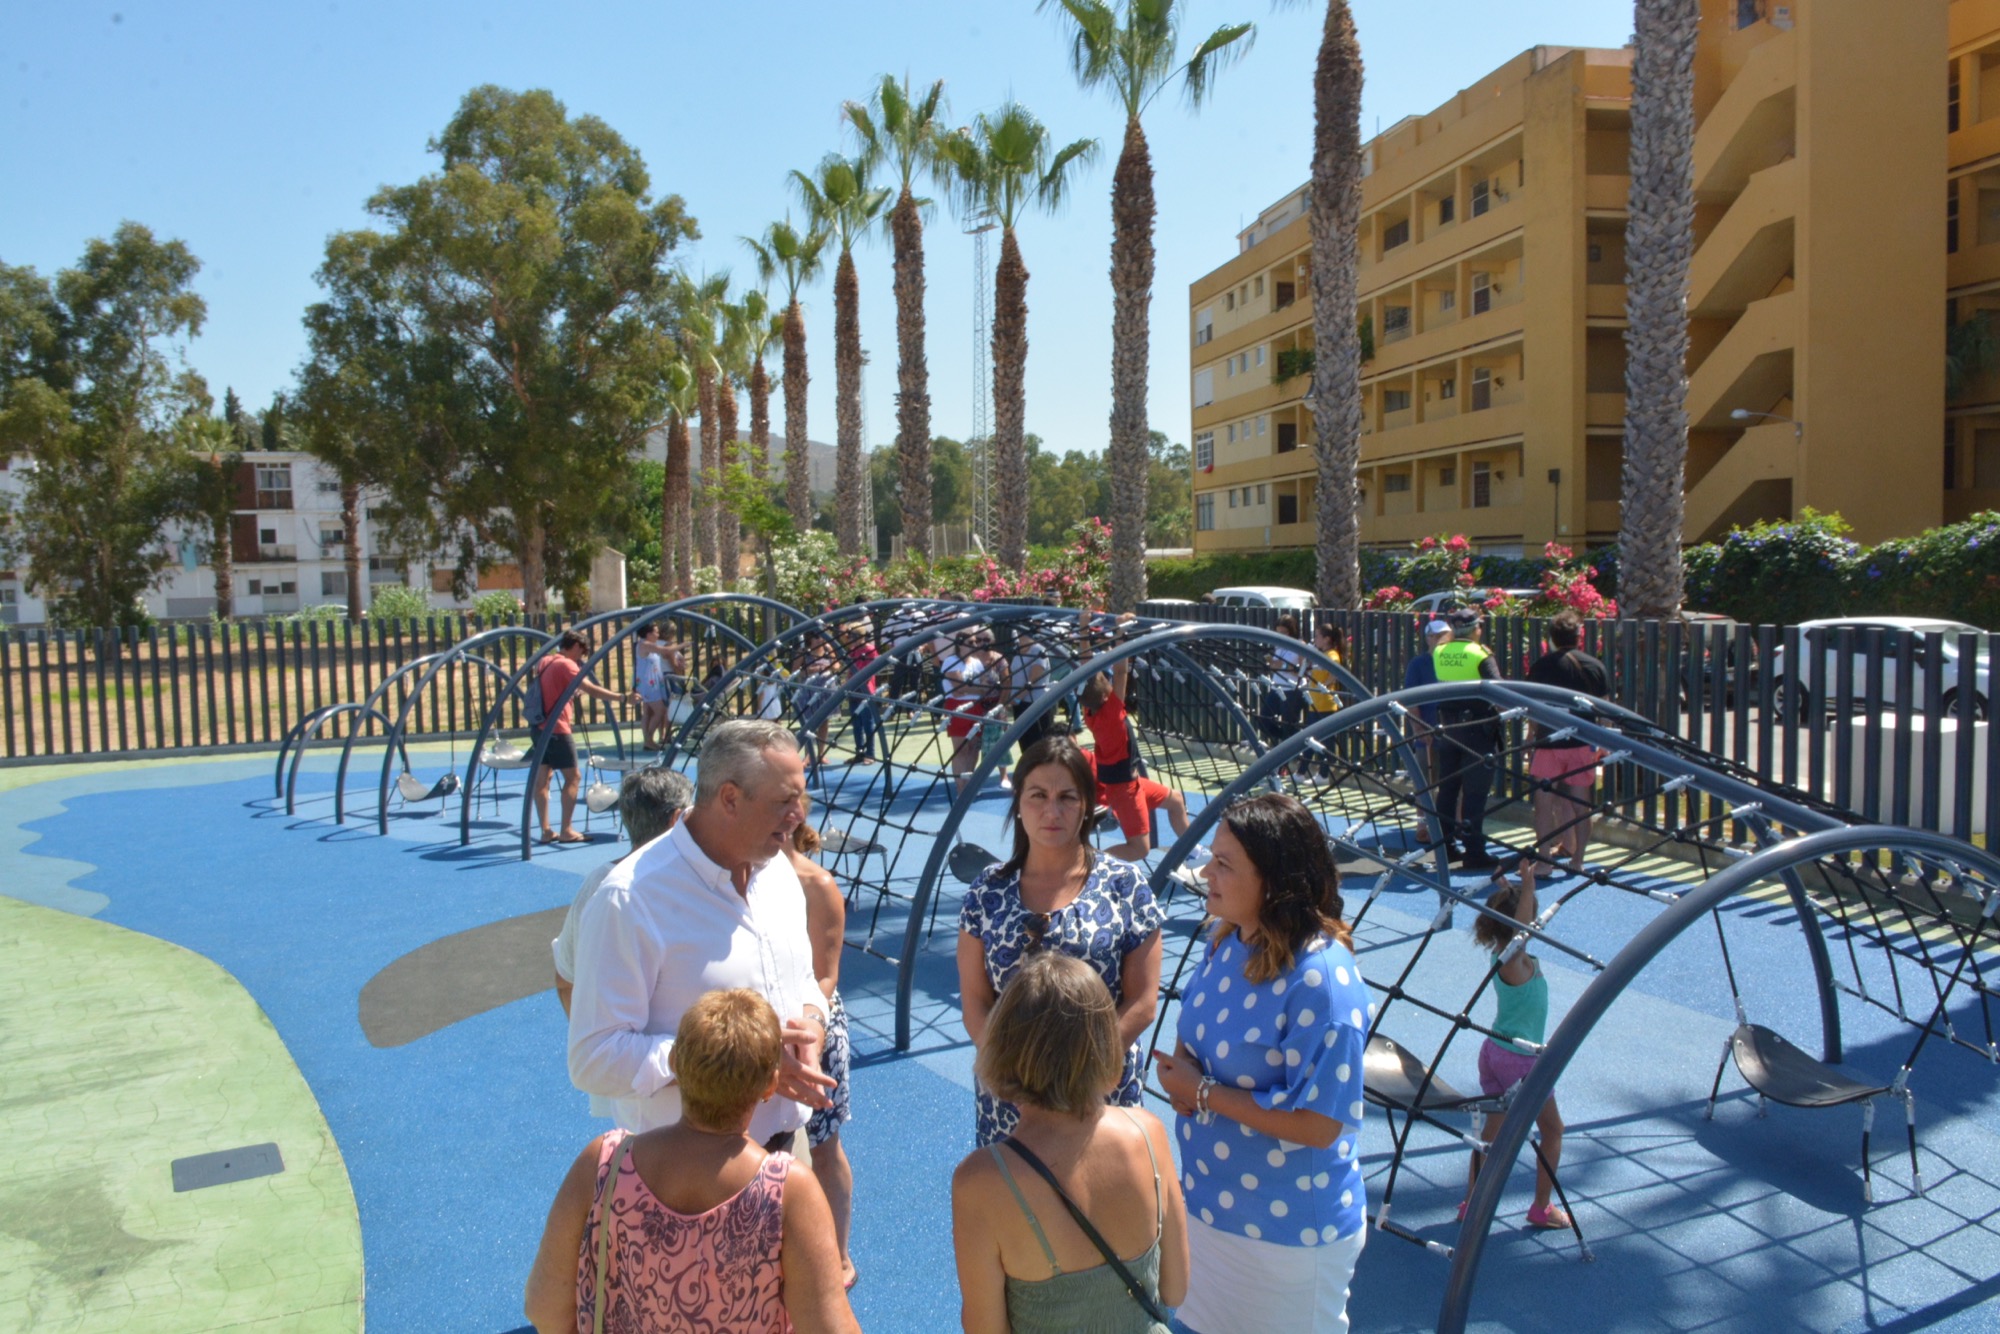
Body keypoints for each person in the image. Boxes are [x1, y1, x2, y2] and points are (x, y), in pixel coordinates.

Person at [1151, 793, 1371, 1334]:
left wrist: (1202, 1093)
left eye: (1225, 864)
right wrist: (1187, 1071)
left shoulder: (1322, 982)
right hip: (1210, 1211)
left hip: (1288, 1239)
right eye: (1213, 858)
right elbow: (1202, 1031)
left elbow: (1320, 1125)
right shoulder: (1226, 939)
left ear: (1274, 881)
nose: (1206, 872)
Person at [523, 989, 860, 1334]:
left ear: (677, 1066)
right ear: (770, 1084)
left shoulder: (605, 1163)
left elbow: (543, 1307)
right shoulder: (787, 1191)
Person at [566, 719, 836, 1144]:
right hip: (684, 1176)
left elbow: (803, 980)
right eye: (784, 800)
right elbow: (594, 1058)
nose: (799, 815)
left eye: (800, 798)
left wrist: (813, 1023)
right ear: (729, 798)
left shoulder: (778, 871)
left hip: (785, 1144)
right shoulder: (631, 899)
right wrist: (743, 1064)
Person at [952, 952, 1189, 1334]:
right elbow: (1175, 1289)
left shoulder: (981, 1180)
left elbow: (985, 1328)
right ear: (1104, 1046)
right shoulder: (1148, 1133)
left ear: (1003, 1047)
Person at [959, 736, 1165, 1147]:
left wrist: (1086, 1072)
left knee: (1101, 1204)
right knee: (1014, 1205)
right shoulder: (988, 890)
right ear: (1018, 803)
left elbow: (1142, 1001)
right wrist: (1011, 1076)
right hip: (1011, 1097)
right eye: (1038, 795)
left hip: (1099, 1091)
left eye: (1067, 797)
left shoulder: (1124, 884)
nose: (1052, 811)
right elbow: (975, 1000)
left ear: (1087, 805)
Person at [1464, 875, 1569, 1231]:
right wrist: (1528, 884)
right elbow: (1521, 927)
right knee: (1552, 1131)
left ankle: (1471, 1203)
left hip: (1496, 1051)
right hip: (1519, 1062)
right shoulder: (1514, 960)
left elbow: (1518, 925)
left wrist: (1513, 887)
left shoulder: (1505, 956)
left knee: (1491, 1136)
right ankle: (1541, 1207)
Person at [553, 767, 695, 1020]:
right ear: (677, 819)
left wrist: (590, 1043)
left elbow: (566, 979)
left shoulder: (599, 882)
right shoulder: (694, 882)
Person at [788, 811, 857, 1290]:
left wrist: (804, 1028)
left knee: (823, 1145)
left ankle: (836, 1254)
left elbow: (826, 975)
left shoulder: (816, 884)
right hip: (757, 1035)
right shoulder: (732, 875)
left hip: (812, 1029)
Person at [1076, 612, 1190, 864]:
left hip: (1131, 781)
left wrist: (1084, 627)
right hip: (1124, 789)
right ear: (1106, 695)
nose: (1107, 678)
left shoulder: (1090, 712)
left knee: (1176, 800)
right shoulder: (1112, 714)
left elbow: (1086, 665)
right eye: (1104, 680)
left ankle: (1190, 850)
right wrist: (1121, 630)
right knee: (1139, 849)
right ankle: (1090, 861)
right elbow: (1120, 670)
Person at [1523, 610, 1611, 878]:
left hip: (1549, 741)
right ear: (1579, 636)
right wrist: (1603, 742)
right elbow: (1605, 709)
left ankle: (1544, 861)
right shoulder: (1595, 666)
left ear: (1552, 637)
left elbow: (1533, 707)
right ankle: (1578, 861)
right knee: (1581, 804)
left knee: (1544, 803)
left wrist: (1530, 737)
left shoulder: (1541, 666)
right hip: (1582, 742)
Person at [534, 631, 641, 846]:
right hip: (558, 729)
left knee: (542, 780)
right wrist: (622, 698)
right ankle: (566, 830)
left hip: (540, 728)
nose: (580, 658)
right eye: (581, 653)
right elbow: (591, 689)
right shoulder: (566, 664)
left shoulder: (545, 661)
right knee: (573, 778)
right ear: (574, 646)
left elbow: (551, 689)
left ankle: (546, 830)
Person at [1431, 608, 1504, 870]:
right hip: (1476, 729)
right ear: (1476, 628)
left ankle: (1446, 847)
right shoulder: (1480, 653)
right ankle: (1475, 851)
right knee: (1475, 793)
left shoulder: (1440, 651)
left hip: (1448, 728)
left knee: (1448, 789)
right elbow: (1499, 690)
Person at [1403, 619, 1454, 846]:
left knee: (1450, 781)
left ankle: (1450, 824)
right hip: (1427, 731)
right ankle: (1422, 824)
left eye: (1446, 634)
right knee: (1425, 781)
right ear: (1429, 639)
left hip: (1450, 732)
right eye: (1438, 635)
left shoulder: (1453, 662)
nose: (1443, 639)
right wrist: (1419, 728)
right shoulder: (1419, 664)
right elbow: (1411, 700)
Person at [944, 631, 1007, 797]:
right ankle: (960, 789)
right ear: (959, 644)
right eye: (971, 642)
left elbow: (977, 686)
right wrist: (980, 689)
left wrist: (977, 689)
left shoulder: (976, 662)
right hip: (958, 708)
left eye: (976, 642)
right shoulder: (951, 661)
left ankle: (969, 785)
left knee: (973, 748)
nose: (975, 645)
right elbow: (959, 689)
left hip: (976, 707)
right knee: (961, 749)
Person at [1301, 623, 1348, 784]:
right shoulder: (1321, 654)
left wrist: (1326, 686)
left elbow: (1334, 673)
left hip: (1325, 704)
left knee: (1324, 741)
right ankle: (1302, 772)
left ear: (1327, 639)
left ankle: (1323, 774)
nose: (1315, 639)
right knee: (1310, 738)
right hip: (1315, 703)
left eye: (1318, 636)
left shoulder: (1332, 655)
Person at [633, 622, 672, 750]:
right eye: (655, 632)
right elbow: (666, 650)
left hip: (651, 681)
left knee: (648, 713)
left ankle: (647, 741)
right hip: (649, 684)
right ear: (648, 634)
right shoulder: (645, 645)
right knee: (660, 710)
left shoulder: (648, 645)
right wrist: (684, 644)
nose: (658, 634)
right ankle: (649, 739)